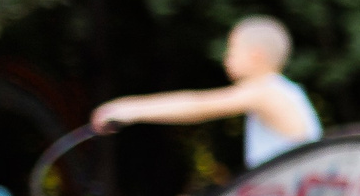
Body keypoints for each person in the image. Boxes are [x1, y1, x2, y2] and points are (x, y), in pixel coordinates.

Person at [92, 15, 323, 167]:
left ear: (256, 55)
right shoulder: (287, 92)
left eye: (232, 49)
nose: (226, 58)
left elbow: (199, 105)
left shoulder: (265, 92)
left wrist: (128, 109)